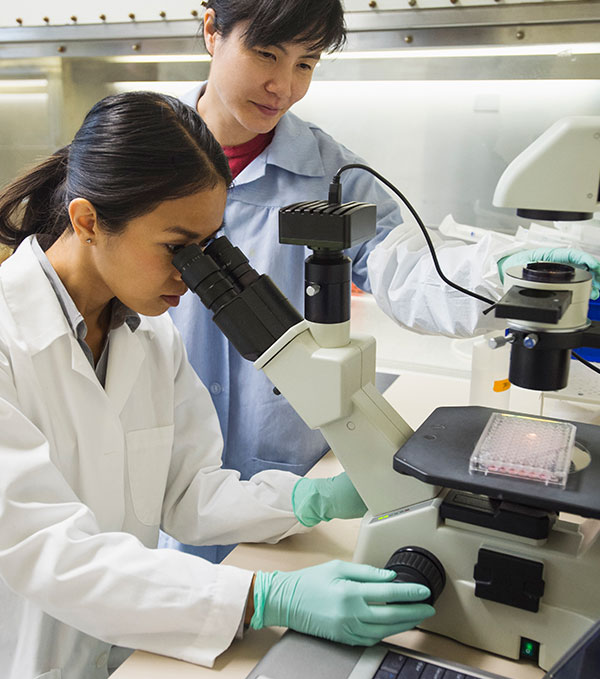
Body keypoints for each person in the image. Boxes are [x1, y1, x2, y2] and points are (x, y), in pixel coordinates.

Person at [0, 91, 436, 679]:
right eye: (178, 246)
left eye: (208, 246)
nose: (195, 274)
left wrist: (312, 499)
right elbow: (49, 553)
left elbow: (187, 493)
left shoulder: (148, 335)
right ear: (88, 220)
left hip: (124, 666)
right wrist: (262, 598)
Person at [164, 0, 600, 560]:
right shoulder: (136, 152)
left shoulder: (330, 172)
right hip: (155, 464)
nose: (283, 86)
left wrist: (501, 271)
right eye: (266, 54)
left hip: (289, 480)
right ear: (211, 31)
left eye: (306, 64)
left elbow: (410, 266)